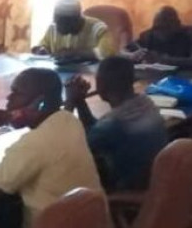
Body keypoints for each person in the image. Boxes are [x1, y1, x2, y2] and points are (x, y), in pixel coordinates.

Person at [0, 68, 105, 228]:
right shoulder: (70, 121)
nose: (8, 99)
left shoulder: (33, 144)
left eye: (16, 93)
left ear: (39, 103)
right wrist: (72, 100)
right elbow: (63, 113)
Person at [65, 57, 169, 192]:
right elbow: (95, 130)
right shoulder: (146, 105)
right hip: (153, 187)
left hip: (125, 197)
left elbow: (68, 150)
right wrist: (80, 102)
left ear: (101, 85)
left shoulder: (114, 124)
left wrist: (70, 102)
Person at [33, 0, 117, 61]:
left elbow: (107, 53)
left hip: (90, 76)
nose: (59, 27)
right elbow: (43, 45)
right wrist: (40, 50)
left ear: (77, 19)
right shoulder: (54, 27)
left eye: (63, 23)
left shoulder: (98, 28)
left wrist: (74, 54)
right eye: (57, 22)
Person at [129, 6, 192, 70]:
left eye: (167, 26)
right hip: (154, 78)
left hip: (187, 78)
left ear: (178, 24)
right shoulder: (148, 35)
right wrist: (133, 55)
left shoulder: (191, 34)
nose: (161, 31)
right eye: (158, 27)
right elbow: (123, 52)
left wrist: (163, 60)